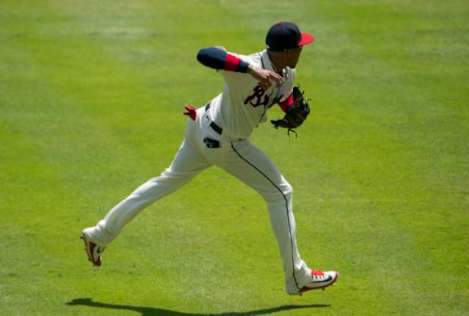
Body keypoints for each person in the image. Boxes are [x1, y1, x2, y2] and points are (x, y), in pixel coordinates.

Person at [81, 21, 338, 295]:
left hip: (202, 128)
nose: (302, 49)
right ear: (285, 51)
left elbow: (282, 97)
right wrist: (251, 70)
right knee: (281, 193)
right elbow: (205, 54)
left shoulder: (288, 74)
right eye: (299, 46)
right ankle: (297, 277)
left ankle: (99, 235)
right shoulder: (247, 65)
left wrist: (291, 112)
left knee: (165, 181)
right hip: (224, 142)